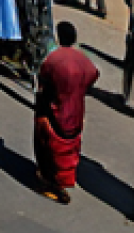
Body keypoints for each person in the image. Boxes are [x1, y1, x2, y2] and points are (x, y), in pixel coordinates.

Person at [33, 21, 99, 204]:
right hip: (75, 112)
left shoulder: (54, 58)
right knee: (70, 149)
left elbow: (43, 78)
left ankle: (51, 184)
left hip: (55, 111)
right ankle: (62, 181)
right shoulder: (83, 59)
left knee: (47, 145)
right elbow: (94, 75)